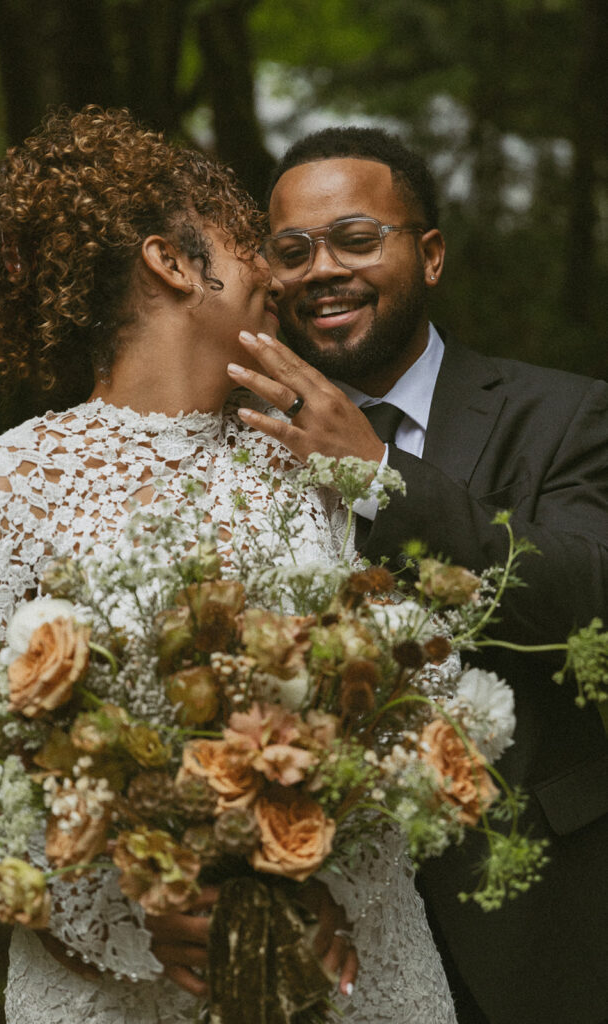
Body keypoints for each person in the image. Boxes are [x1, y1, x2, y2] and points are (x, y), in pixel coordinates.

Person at [0, 109, 458, 1024]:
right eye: (250, 244)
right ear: (173, 263)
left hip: (354, 960)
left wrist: (329, 860)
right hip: (129, 983)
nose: (277, 272)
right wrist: (113, 906)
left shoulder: (309, 459)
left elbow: (416, 678)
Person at [225, 126, 608, 1024]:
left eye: (356, 239)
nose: (323, 269)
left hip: (532, 931)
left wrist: (378, 479)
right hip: (313, 930)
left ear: (429, 255)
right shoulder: (236, 440)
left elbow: (588, 602)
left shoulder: (565, 412)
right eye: (293, 250)